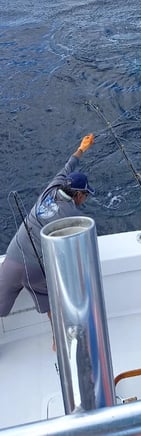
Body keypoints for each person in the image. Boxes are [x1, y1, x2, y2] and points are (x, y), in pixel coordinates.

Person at [0, 134, 95, 332]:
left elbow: (69, 165)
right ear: (78, 195)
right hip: (34, 269)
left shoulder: (52, 186)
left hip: (13, 256)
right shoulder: (71, 215)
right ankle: (57, 342)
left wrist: (82, 148)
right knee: (53, 304)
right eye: (85, 194)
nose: (85, 198)